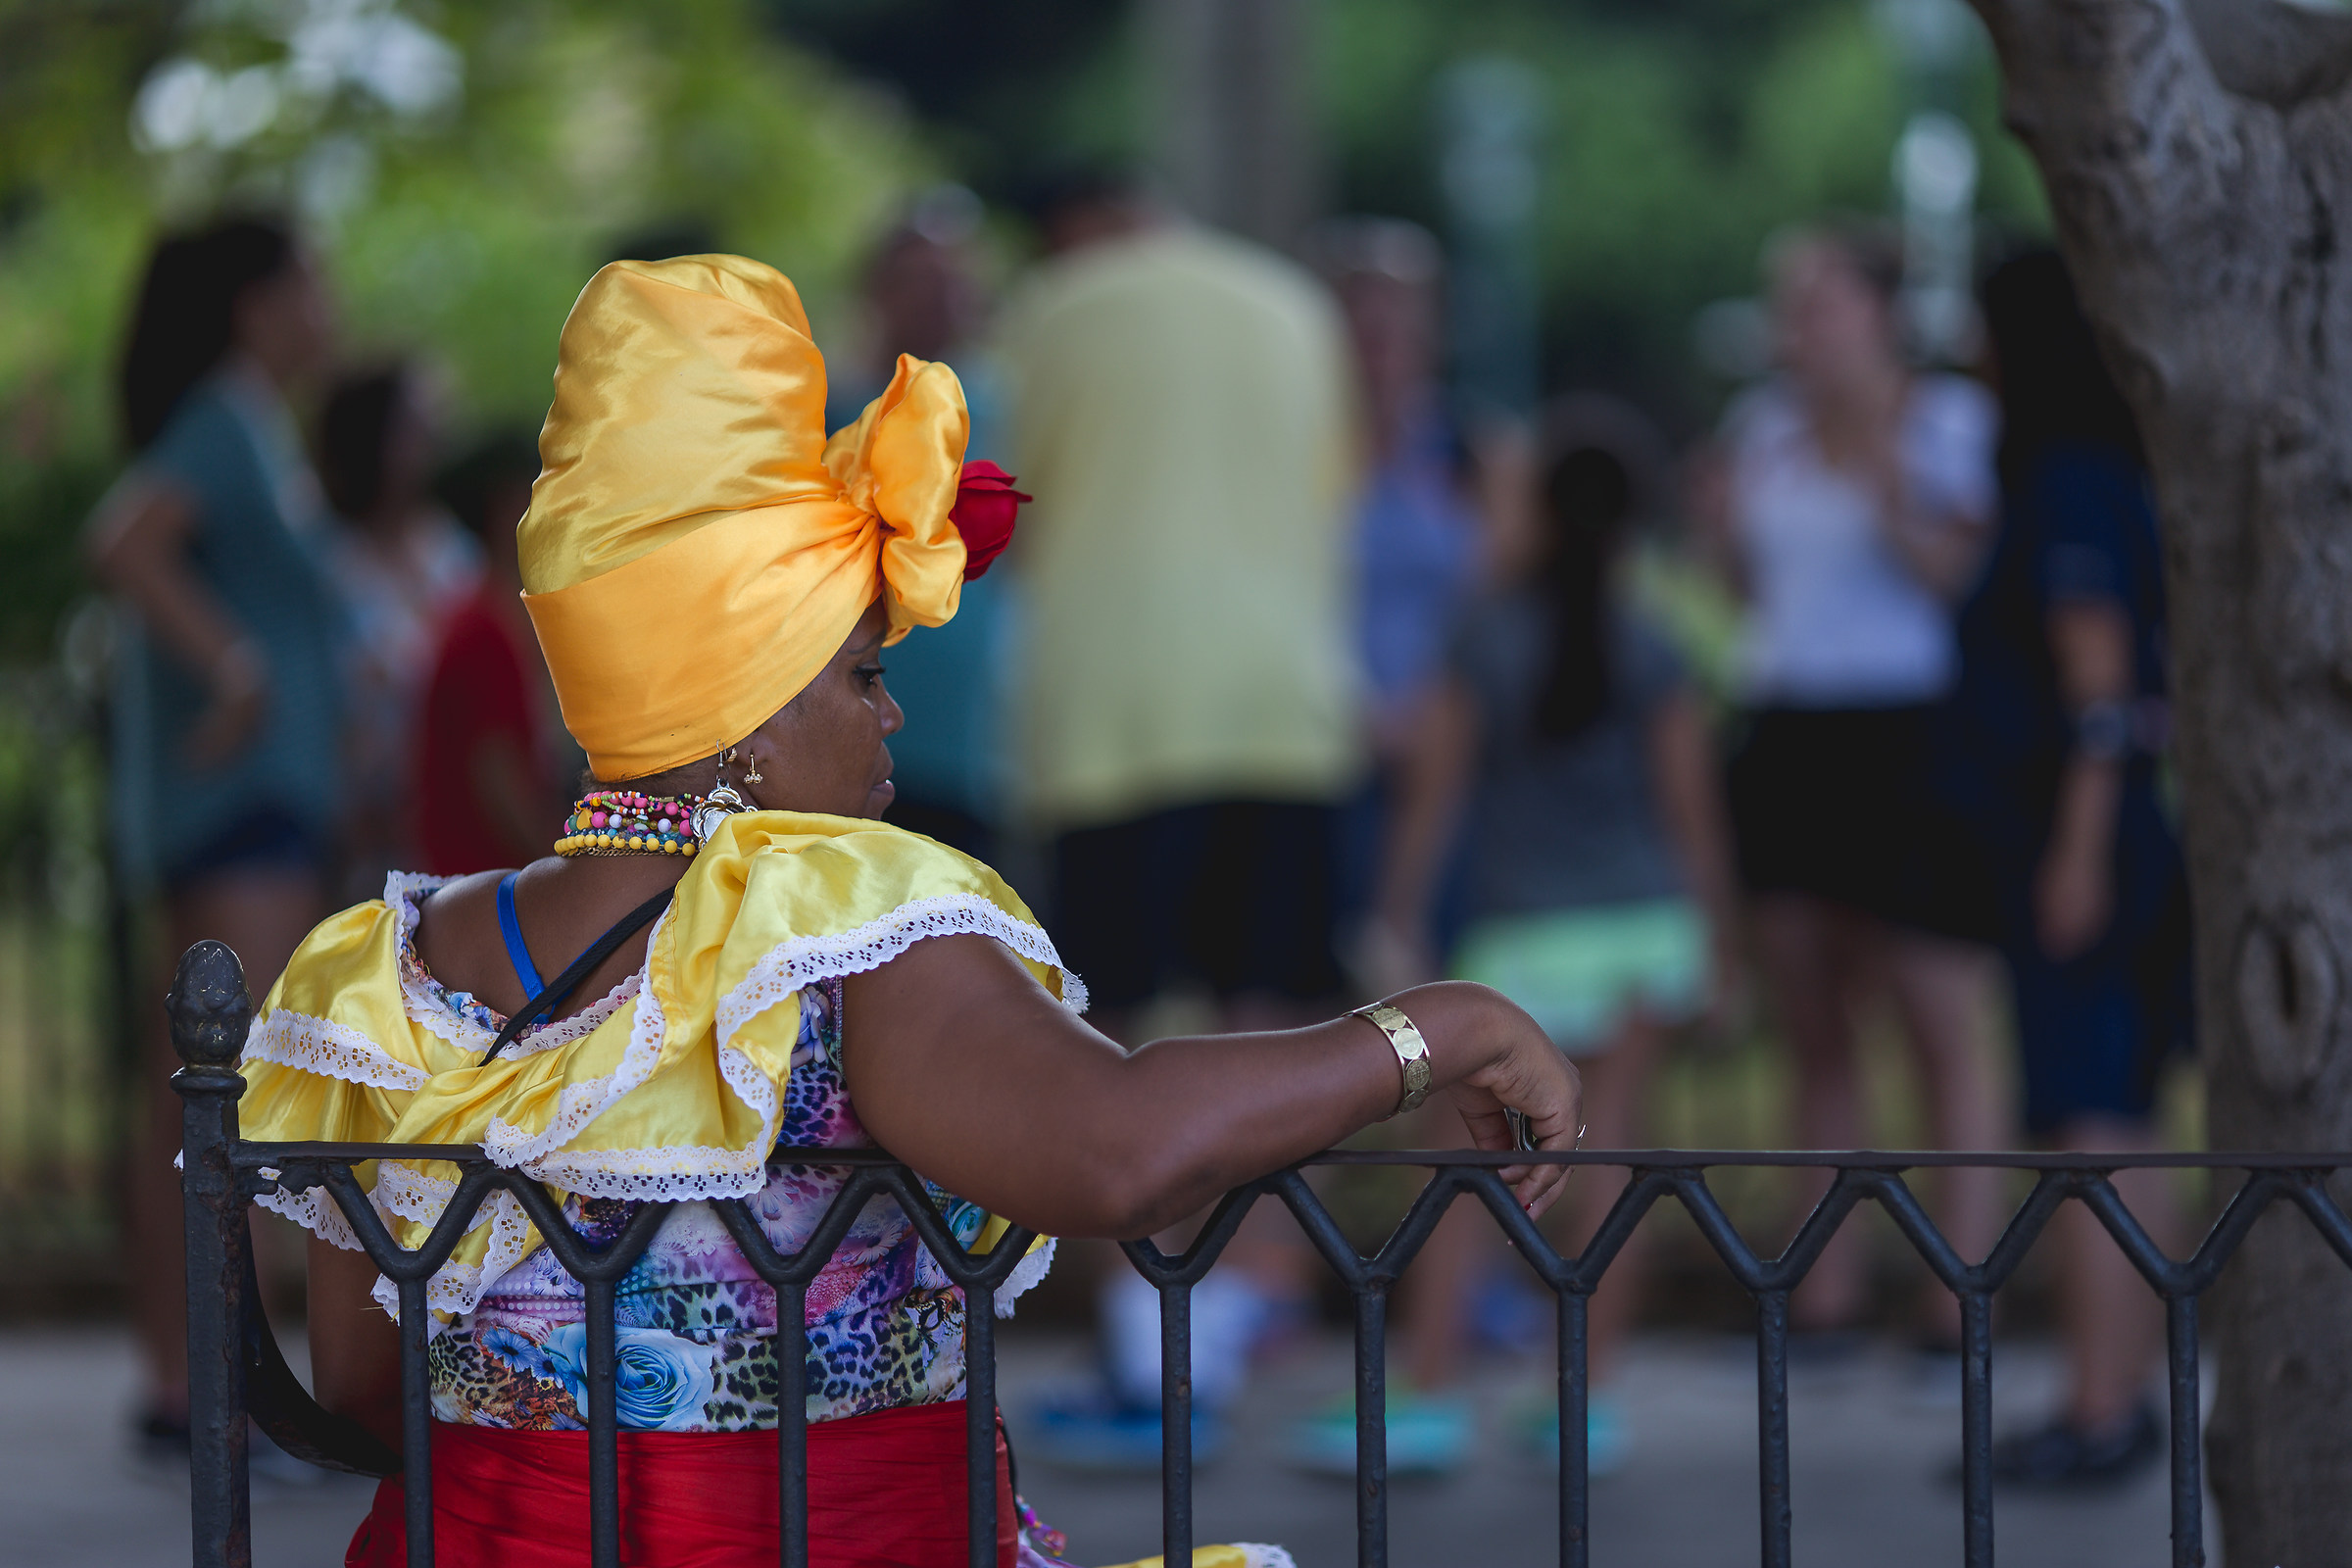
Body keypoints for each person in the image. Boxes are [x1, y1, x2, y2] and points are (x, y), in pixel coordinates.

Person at [231, 255, 1581, 1568]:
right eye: (864, 674)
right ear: (749, 708)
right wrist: (1437, 1030)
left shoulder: (384, 966)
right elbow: (1119, 1153)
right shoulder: (839, 918)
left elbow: (364, 1385)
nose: (888, 718)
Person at [993, 169, 1365, 1461]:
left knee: (1110, 1028)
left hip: (1120, 707)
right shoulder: (1297, 306)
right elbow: (1332, 491)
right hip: (1286, 702)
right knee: (1277, 1017)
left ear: (1071, 228)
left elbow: (1007, 506)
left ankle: (1147, 1348)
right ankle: (1259, 1295)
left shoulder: (1056, 307)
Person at [1297, 416, 1743, 1477]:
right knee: (1613, 1159)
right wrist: (1723, 949)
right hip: (1643, 931)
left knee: (1468, 1164)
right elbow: (1693, 815)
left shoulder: (1486, 633)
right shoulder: (1652, 641)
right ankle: (1582, 1403)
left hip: (1522, 937)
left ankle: (1426, 1396)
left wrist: (1396, 912)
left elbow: (1434, 794)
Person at [1705, 223, 2005, 1348]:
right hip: (1790, 724)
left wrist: (1880, 463)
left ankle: (1956, 1293)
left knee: (1937, 1017)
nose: (1801, 329)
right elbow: (1749, 594)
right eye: (1791, 307)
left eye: (1822, 303)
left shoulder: (1948, 420)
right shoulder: (1761, 429)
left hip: (1906, 728)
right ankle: (1821, 1292)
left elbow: (1952, 575)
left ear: (1881, 313)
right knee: (1813, 1019)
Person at [86, 214, 344, 1449]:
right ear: (257, 302)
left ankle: (189, 1391)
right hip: (240, 812)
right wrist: (236, 670)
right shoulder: (228, 416)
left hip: (248, 810)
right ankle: (211, 1398)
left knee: (199, 1099)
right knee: (218, 1102)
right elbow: (125, 543)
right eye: (312, 279)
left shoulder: (251, 421)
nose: (331, 303)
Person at [1946, 248, 2189, 1486]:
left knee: (2093, 1127)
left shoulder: (2070, 480)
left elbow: (2103, 693)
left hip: (2082, 842)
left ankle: (2101, 1405)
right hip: (2099, 837)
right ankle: (2117, 1396)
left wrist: (2078, 851)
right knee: (2118, 1120)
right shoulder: (2096, 472)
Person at [1316, 217, 1488, 992]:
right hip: (1324, 731)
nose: (1378, 327)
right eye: (1360, 305)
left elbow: (1486, 600)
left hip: (1438, 743)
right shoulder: (1301, 448)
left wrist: (1426, 704)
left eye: (1397, 306)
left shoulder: (1467, 451)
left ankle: (1401, 925)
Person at [826, 189, 1012, 860]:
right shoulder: (832, 414)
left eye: (955, 280)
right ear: (876, 291)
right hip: (856, 737)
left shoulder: (1007, 410)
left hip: (980, 747)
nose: (940, 298)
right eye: (919, 280)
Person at [318, 362, 482, 894]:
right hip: (354, 827)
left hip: (450, 813)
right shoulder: (326, 560)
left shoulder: (451, 551)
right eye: (409, 428)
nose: (428, 441)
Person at [410, 432, 567, 876]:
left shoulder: (501, 618)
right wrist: (566, 874)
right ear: (507, 509)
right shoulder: (481, 630)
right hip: (481, 881)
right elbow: (500, 785)